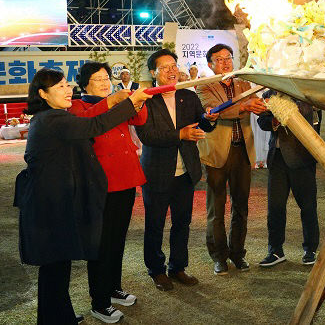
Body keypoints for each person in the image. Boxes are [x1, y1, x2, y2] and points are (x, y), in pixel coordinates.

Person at [14, 68, 150, 325]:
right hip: (49, 203)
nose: (67, 90)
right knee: (54, 264)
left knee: (58, 264)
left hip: (57, 199)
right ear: (43, 94)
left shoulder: (53, 117)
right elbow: (95, 125)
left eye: (67, 85)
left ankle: (58, 315)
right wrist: (129, 102)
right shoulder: (52, 119)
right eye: (59, 87)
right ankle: (54, 318)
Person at [69, 62, 148, 323]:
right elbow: (86, 122)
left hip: (125, 177)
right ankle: (99, 301)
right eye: (98, 79)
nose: (104, 83)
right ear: (85, 84)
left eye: (106, 78)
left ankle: (113, 287)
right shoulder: (78, 106)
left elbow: (140, 119)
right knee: (102, 243)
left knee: (118, 239)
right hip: (102, 182)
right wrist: (113, 101)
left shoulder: (116, 100)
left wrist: (138, 100)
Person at [135, 49, 218, 291]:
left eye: (174, 65)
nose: (172, 71)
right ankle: (157, 270)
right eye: (165, 67)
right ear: (153, 73)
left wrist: (209, 118)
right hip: (157, 172)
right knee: (155, 224)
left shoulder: (187, 96)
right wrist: (180, 134)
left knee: (182, 222)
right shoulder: (146, 99)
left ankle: (178, 267)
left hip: (185, 172)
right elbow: (147, 136)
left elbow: (201, 123)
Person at [197, 43, 267, 275]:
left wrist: (260, 105)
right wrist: (245, 106)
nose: (226, 62)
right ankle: (219, 256)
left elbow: (255, 103)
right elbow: (214, 111)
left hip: (242, 151)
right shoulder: (203, 86)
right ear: (210, 64)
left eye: (228, 58)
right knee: (216, 209)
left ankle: (238, 253)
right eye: (219, 59)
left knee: (241, 206)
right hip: (217, 154)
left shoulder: (243, 83)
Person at [256, 91, 320, 267]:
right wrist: (274, 122)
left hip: (302, 157)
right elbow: (262, 121)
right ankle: (275, 250)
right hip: (277, 158)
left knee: (308, 206)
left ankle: (310, 249)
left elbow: (307, 112)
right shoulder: (269, 93)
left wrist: (282, 107)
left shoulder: (303, 91)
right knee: (275, 207)